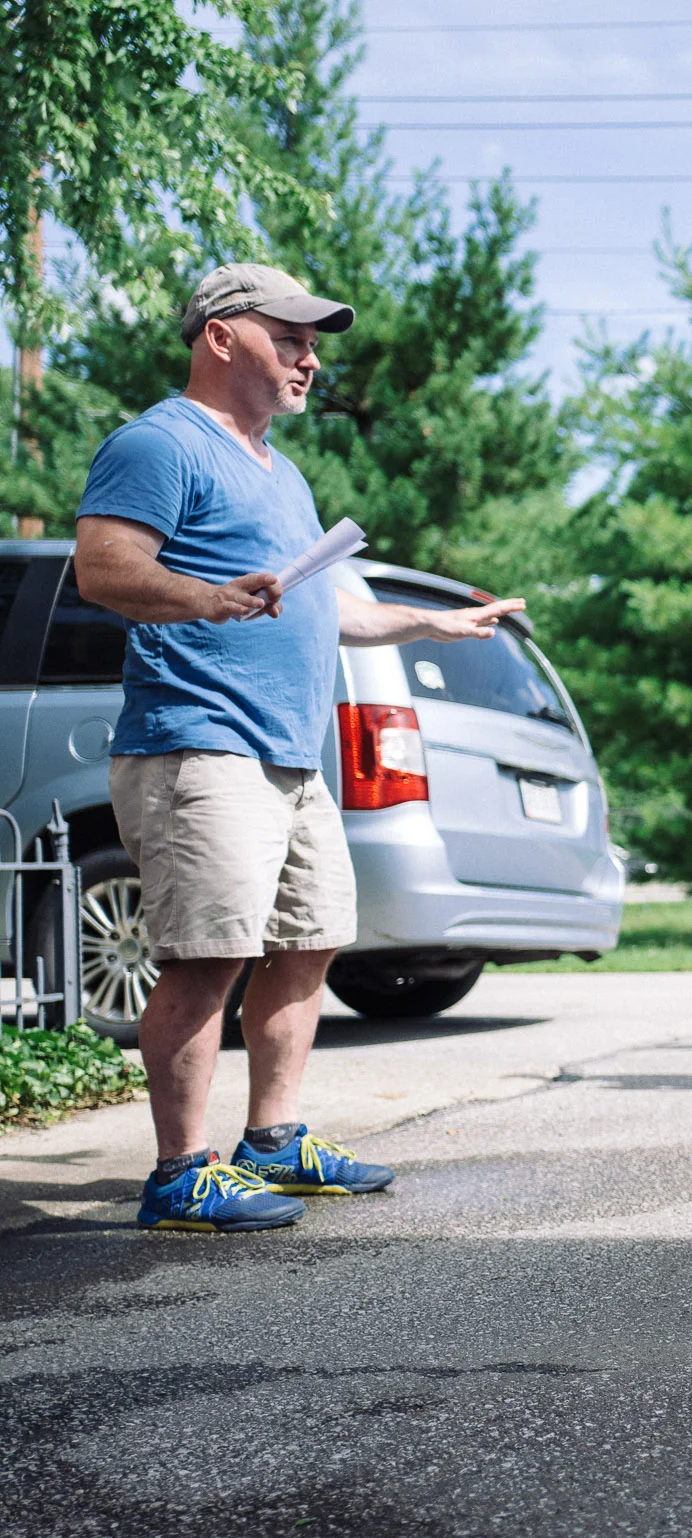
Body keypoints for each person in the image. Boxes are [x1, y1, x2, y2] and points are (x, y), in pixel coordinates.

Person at [75, 263, 524, 1230]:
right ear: (222, 334)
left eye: (314, 343)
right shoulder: (161, 442)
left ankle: (272, 1142)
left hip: (289, 756)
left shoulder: (284, 474)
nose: (310, 359)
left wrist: (430, 625)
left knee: (309, 940)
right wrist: (206, 597)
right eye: (292, 337)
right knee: (207, 956)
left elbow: (332, 605)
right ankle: (179, 1171)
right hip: (200, 745)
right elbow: (103, 567)